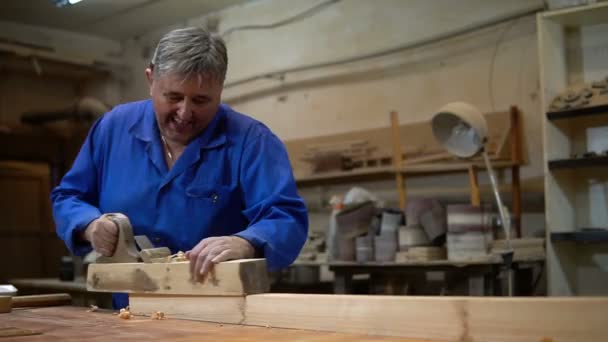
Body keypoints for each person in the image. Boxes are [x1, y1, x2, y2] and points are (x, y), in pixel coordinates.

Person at [51, 27, 308, 308]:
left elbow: (286, 218)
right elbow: (69, 197)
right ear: (151, 79)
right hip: (129, 309)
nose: (185, 114)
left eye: (200, 100)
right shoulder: (112, 128)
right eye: (173, 97)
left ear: (220, 89)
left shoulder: (252, 141)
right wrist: (89, 225)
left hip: (222, 312)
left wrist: (247, 242)